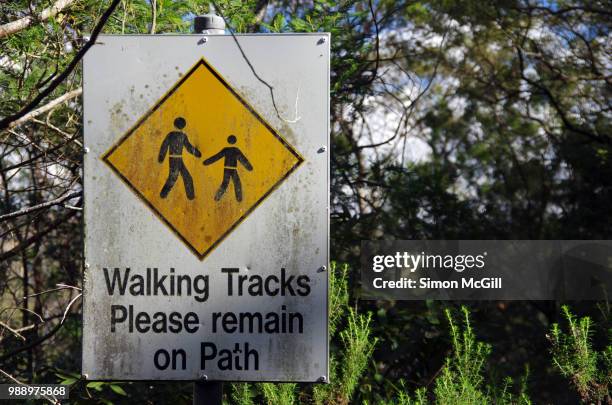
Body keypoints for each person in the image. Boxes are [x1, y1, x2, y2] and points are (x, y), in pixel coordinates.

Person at [158, 117, 201, 200]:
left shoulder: (177, 135)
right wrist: (197, 153)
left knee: (186, 177)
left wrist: (161, 157)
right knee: (173, 178)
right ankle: (163, 194)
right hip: (174, 160)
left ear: (174, 124)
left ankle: (190, 196)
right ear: (183, 126)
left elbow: (164, 146)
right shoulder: (180, 135)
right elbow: (188, 147)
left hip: (178, 160)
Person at [203, 135, 252, 202]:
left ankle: (217, 197)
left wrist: (207, 162)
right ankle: (239, 198)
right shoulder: (236, 150)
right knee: (236, 183)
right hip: (233, 169)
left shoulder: (226, 150)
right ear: (235, 141)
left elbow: (216, 157)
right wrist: (249, 167)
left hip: (227, 169)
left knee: (226, 183)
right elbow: (243, 159)